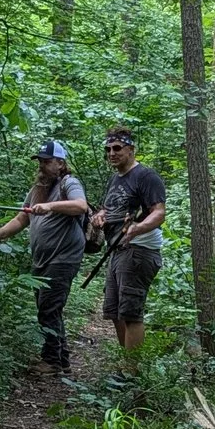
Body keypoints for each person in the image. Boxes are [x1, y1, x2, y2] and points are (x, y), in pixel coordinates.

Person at [0, 139, 90, 371]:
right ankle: (61, 359)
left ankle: (51, 360)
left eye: (47, 161)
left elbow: (81, 206)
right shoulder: (38, 189)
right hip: (42, 259)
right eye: (40, 161)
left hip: (63, 257)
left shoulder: (69, 183)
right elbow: (22, 218)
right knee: (48, 307)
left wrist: (51, 207)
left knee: (48, 308)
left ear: (60, 163)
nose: (41, 165)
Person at [89, 127, 167, 358]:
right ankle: (126, 363)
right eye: (108, 149)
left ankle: (132, 374)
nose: (111, 153)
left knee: (131, 313)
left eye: (117, 148)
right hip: (116, 250)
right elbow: (109, 207)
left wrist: (138, 228)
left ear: (131, 150)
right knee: (114, 311)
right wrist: (99, 216)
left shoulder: (146, 176)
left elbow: (159, 212)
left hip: (139, 249)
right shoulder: (115, 178)